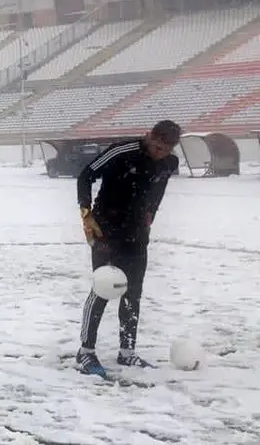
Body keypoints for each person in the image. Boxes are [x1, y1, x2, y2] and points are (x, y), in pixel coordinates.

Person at [74, 119, 181, 377]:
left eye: (165, 150)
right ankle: (85, 352)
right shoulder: (121, 151)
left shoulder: (169, 163)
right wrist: (86, 212)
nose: (159, 154)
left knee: (133, 293)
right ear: (148, 136)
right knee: (102, 289)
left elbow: (159, 190)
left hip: (136, 235)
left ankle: (127, 352)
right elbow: (85, 175)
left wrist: (150, 215)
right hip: (106, 232)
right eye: (156, 147)